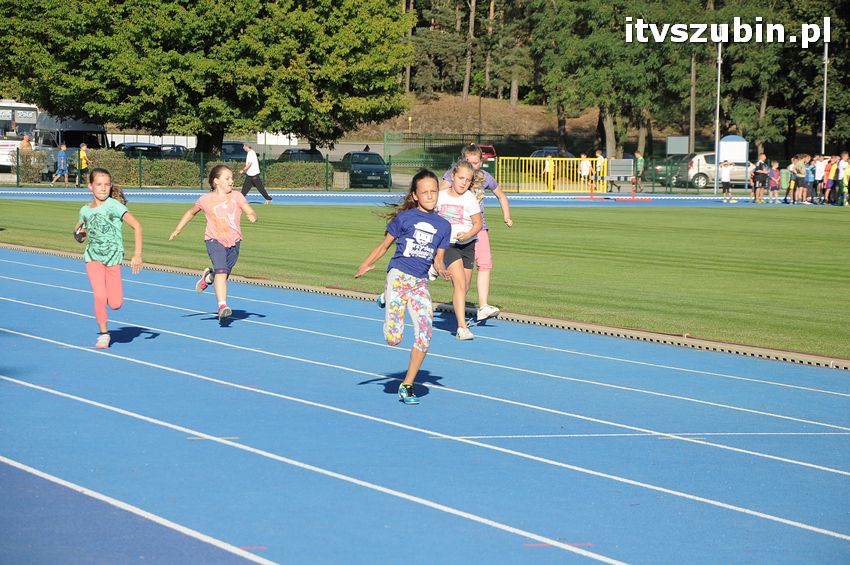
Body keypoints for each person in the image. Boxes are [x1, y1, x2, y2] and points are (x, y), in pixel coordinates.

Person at [355, 169, 451, 405]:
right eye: (425, 192)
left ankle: (407, 385)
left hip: (419, 283)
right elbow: (384, 246)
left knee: (425, 334)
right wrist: (366, 264)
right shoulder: (405, 218)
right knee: (393, 338)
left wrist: (442, 269)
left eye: (434, 191)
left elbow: (438, 259)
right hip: (398, 276)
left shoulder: (443, 226)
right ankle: (386, 295)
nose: (430, 196)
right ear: (415, 196)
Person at [170, 164, 257, 321]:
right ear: (216, 181)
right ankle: (222, 306)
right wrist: (178, 229)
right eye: (227, 178)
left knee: (222, 274)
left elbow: (248, 209)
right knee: (222, 272)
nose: (231, 181)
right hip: (214, 239)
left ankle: (208, 278)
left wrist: (252, 214)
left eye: (232, 178)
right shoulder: (205, 200)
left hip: (234, 241)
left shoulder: (237, 196)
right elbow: (191, 212)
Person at [440, 143, 512, 323]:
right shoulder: (454, 175)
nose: (473, 166)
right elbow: (438, 194)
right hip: (455, 228)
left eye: (476, 163)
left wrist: (507, 216)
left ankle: (483, 306)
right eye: (469, 162)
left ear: (481, 162)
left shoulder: (485, 177)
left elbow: (501, 195)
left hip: (478, 227)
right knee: (458, 278)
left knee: (485, 263)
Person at [73, 168, 143, 349]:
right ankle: (104, 335)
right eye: (99, 184)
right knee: (99, 295)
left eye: (106, 185)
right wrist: (79, 234)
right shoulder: (84, 210)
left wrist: (137, 255)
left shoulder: (114, 206)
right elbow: (80, 231)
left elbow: (137, 226)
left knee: (115, 303)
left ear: (111, 186)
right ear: (90, 186)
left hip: (113, 259)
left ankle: (104, 304)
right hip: (93, 258)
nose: (103, 188)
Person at [436, 160, 482, 340]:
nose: (463, 183)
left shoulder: (470, 198)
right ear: (453, 176)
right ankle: (462, 327)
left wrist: (468, 234)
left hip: (468, 245)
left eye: (468, 180)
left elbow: (478, 224)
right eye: (461, 178)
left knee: (463, 287)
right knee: (460, 284)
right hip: (449, 244)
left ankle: (460, 321)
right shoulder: (440, 196)